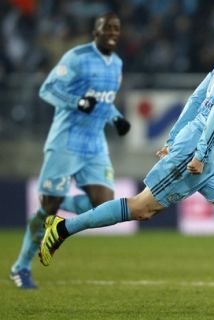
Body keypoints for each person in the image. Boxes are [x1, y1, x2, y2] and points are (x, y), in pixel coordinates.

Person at [39, 9, 214, 318]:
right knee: (142, 208)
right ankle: (63, 228)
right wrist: (196, 152)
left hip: (212, 153)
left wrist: (175, 136)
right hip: (201, 149)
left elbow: (198, 96)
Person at [10, 12, 130, 289]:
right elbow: (47, 89)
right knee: (46, 210)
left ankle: (56, 202)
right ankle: (21, 268)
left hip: (95, 144)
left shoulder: (117, 64)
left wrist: (116, 118)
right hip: (66, 140)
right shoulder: (76, 57)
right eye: (106, 28)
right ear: (95, 32)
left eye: (116, 28)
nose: (112, 32)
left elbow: (104, 101)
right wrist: (76, 102)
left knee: (104, 205)